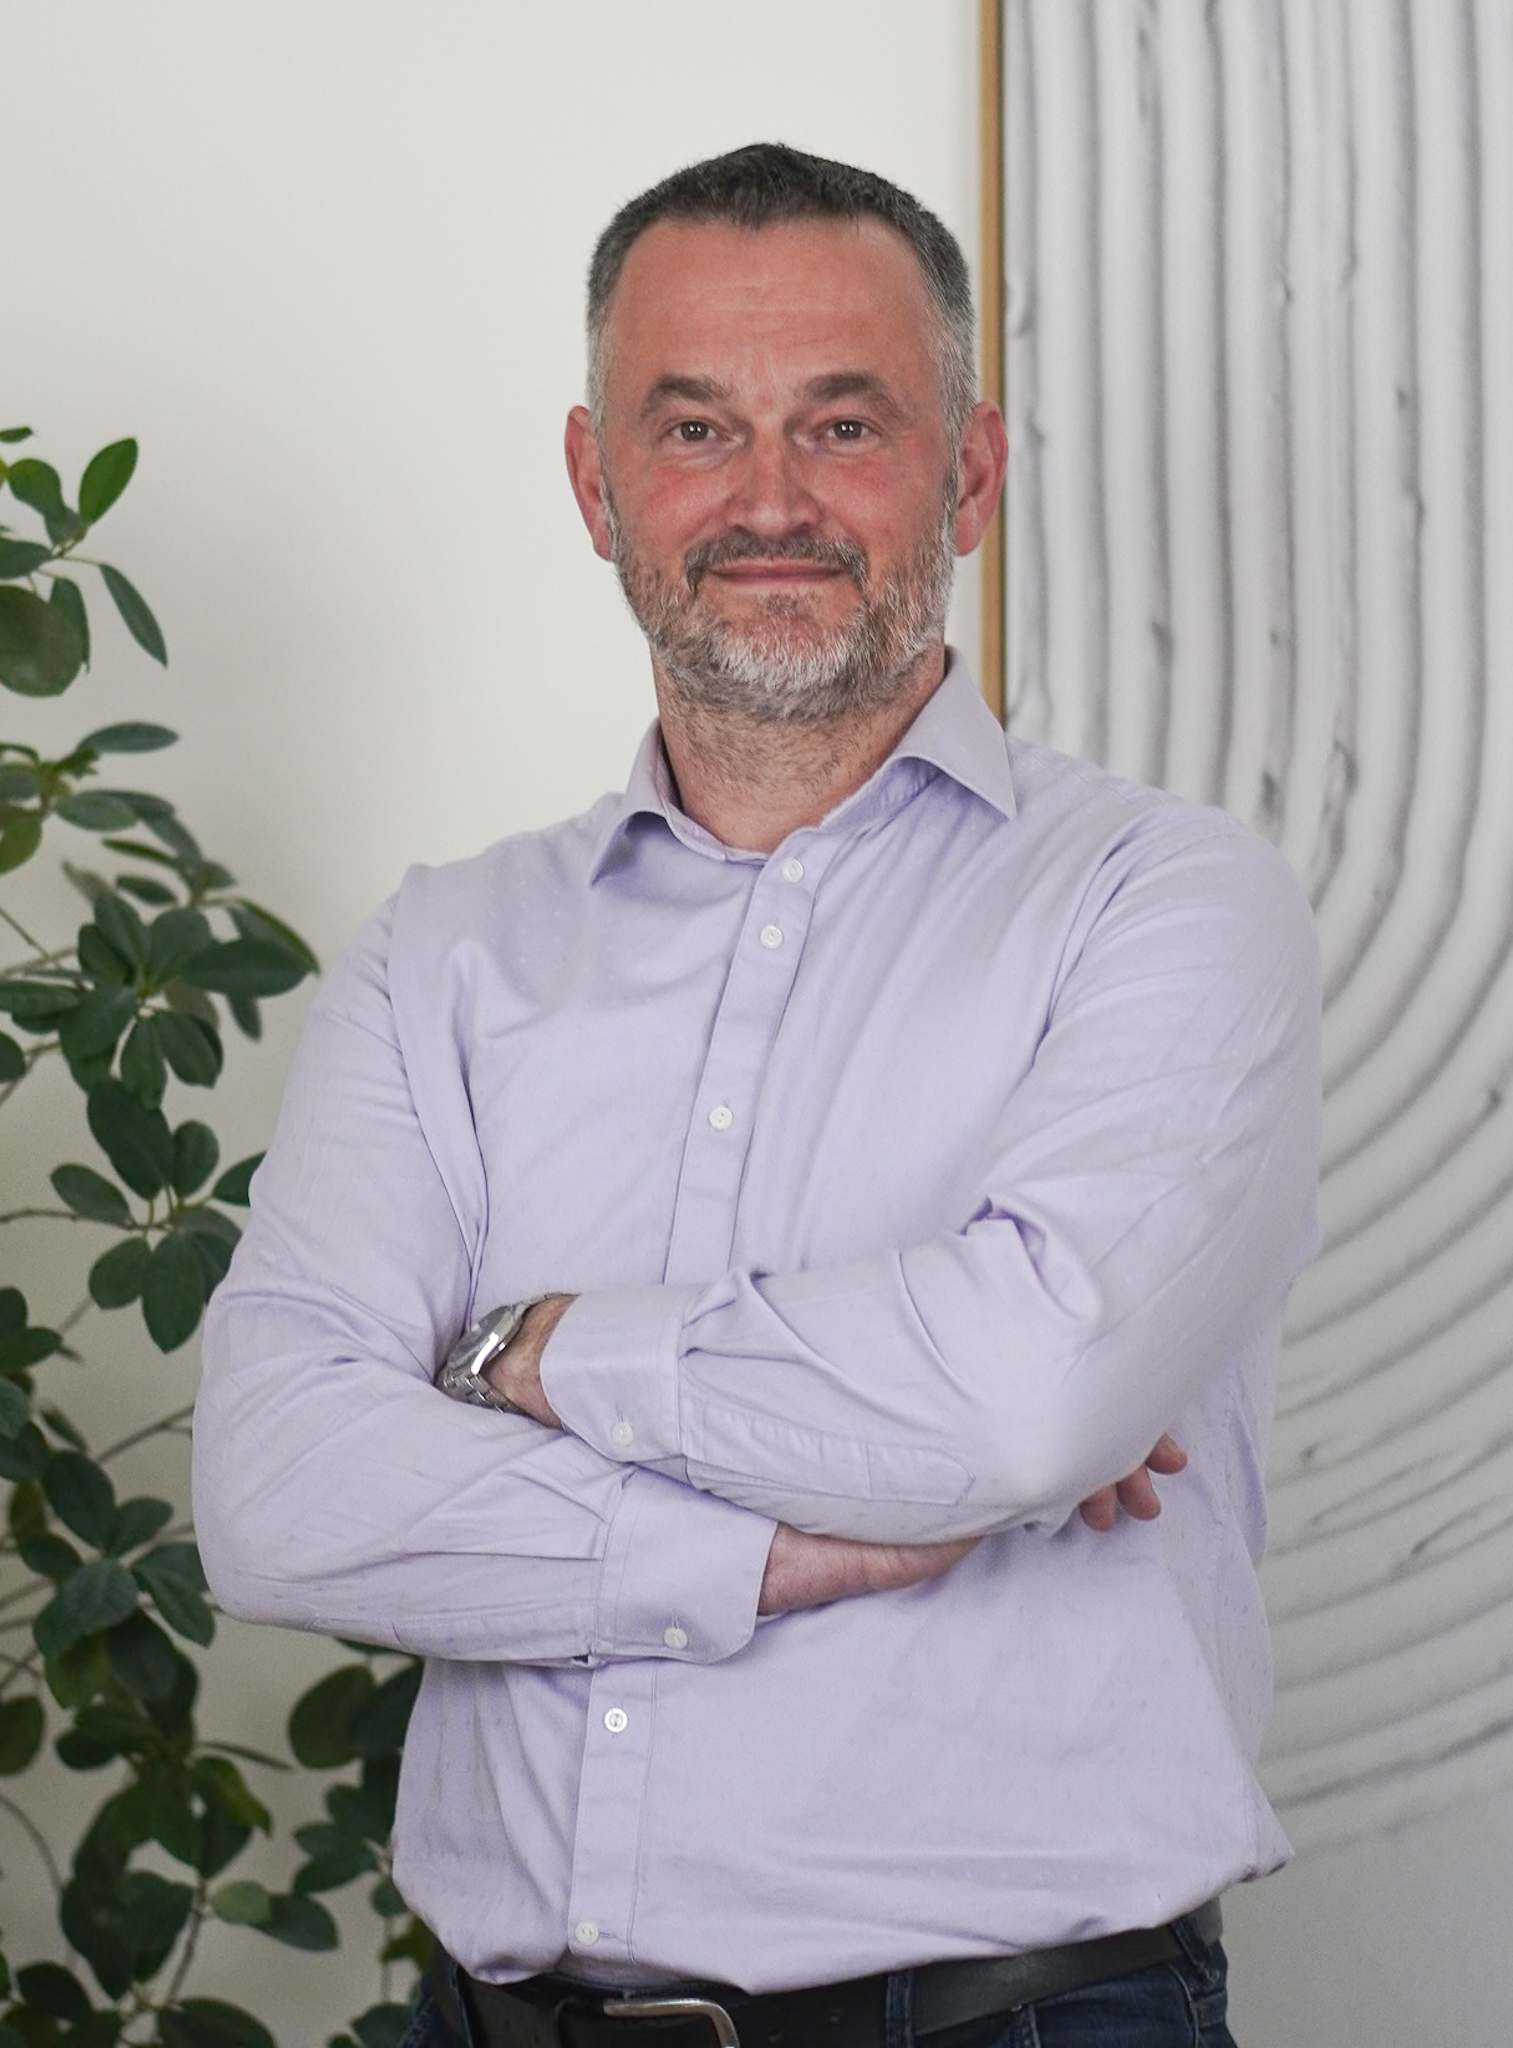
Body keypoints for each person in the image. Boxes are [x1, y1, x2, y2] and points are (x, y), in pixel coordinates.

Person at [194, 144, 1321, 2048]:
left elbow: (1016, 1401)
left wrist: (528, 1352)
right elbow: (278, 1494)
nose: (771, 499)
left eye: (846, 425)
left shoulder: (1162, 902)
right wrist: (791, 1537)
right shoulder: (444, 955)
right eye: (697, 427)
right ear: (597, 483)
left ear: (971, 473)